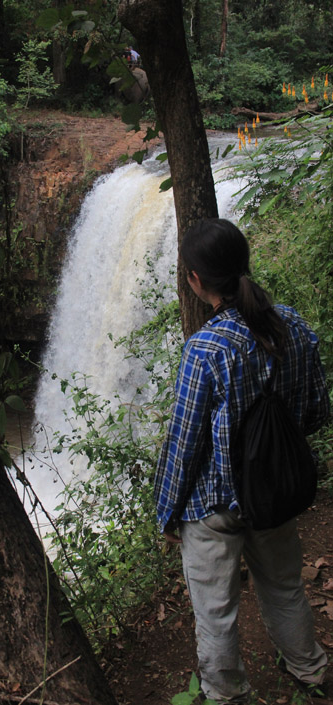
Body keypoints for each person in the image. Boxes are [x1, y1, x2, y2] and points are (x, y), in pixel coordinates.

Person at [154, 218, 330, 703]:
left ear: (194, 279)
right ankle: (311, 672)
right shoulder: (293, 325)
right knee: (285, 587)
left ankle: (226, 695)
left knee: (215, 611)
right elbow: (316, 412)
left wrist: (166, 513)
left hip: (217, 506)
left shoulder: (206, 348)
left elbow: (184, 444)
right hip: (274, 495)